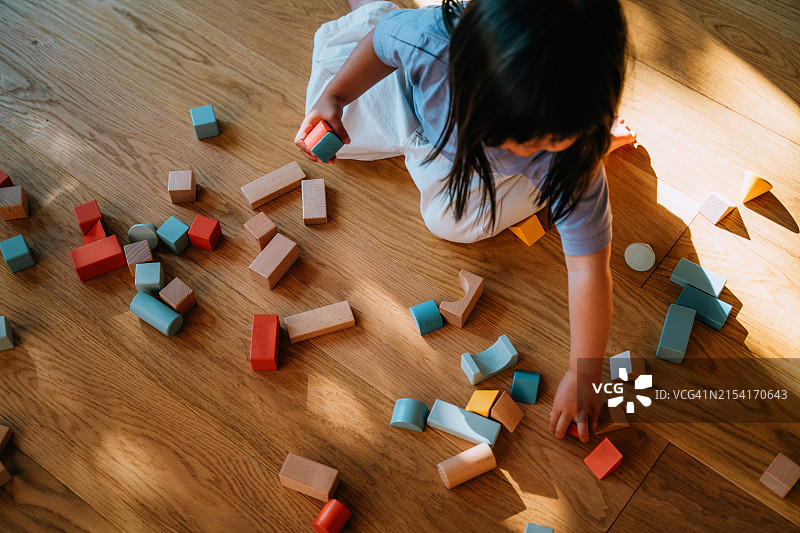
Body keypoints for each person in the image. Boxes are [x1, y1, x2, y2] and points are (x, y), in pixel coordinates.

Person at [295, 0, 636, 442]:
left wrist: (584, 372)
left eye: (538, 141)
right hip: (415, 100)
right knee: (323, 104)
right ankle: (375, 8)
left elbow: (589, 270)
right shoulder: (431, 42)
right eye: (505, 135)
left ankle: (581, 160)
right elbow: (381, 45)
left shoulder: (573, 165)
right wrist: (335, 98)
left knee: (451, 222)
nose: (517, 146)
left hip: (473, 165)